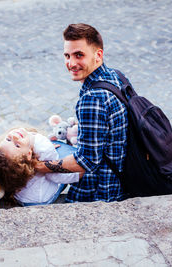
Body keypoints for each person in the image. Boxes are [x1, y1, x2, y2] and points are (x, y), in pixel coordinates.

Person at [36, 23, 129, 203]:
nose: (71, 63)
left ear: (98, 55)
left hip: (100, 192)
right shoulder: (115, 76)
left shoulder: (92, 99)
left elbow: (86, 162)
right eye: (67, 56)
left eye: (79, 55)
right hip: (122, 178)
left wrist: (40, 166)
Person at [0, 127, 81, 206]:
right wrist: (79, 174)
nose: (15, 136)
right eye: (17, 145)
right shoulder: (45, 168)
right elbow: (58, 176)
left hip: (22, 197)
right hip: (41, 200)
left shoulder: (12, 168)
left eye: (8, 140)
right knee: (66, 152)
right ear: (29, 154)